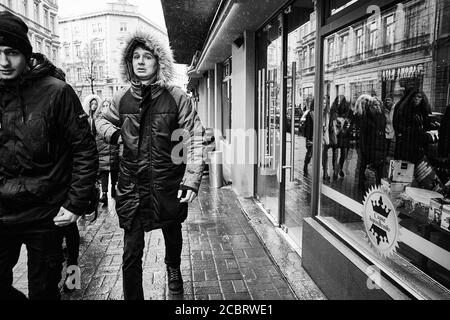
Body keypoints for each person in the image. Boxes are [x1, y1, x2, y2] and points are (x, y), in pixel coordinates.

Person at [96, 30, 206, 300]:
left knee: (172, 231)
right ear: (129, 62)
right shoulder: (122, 98)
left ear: (159, 62)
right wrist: (116, 134)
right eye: (136, 57)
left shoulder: (177, 97)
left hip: (167, 183)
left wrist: (191, 178)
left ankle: (173, 268)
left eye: (148, 57)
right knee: (131, 251)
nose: (141, 62)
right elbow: (100, 120)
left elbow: (194, 137)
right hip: (131, 186)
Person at [0, 11, 98, 300]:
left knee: (53, 279)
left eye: (12, 53)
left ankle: (73, 279)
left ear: (26, 54)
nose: (4, 62)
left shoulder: (58, 94)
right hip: (4, 212)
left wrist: (76, 202)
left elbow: (83, 148)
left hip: (49, 213)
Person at [83, 95, 109, 205]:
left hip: (100, 147)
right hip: (90, 147)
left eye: (95, 104)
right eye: (92, 104)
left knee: (103, 171)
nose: (94, 106)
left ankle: (103, 194)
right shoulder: (85, 117)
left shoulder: (99, 117)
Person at [360, 97, 387, 186]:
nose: (378, 107)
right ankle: (361, 184)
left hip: (379, 146)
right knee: (364, 164)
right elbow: (362, 135)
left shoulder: (382, 116)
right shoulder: (366, 117)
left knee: (380, 168)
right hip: (369, 146)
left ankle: (379, 185)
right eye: (375, 105)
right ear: (371, 106)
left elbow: (383, 132)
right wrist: (363, 149)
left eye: (379, 105)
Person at [330, 95, 351, 180]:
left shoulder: (347, 111)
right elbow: (331, 122)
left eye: (341, 100)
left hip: (345, 135)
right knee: (335, 153)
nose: (339, 101)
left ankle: (340, 168)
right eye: (338, 100)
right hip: (336, 134)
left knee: (344, 154)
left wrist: (346, 126)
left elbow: (350, 122)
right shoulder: (333, 110)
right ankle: (335, 170)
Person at [303, 99, 314, 177]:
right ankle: (305, 166)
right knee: (309, 153)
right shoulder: (310, 114)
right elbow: (308, 128)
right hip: (311, 137)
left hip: (318, 137)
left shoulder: (321, 114)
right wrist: (308, 139)